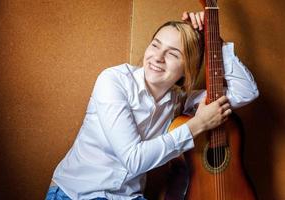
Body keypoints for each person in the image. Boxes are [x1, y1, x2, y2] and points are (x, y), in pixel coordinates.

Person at [45, 11, 259, 200]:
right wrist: (198, 125)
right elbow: (133, 160)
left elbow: (246, 92)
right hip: (76, 194)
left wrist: (214, 39)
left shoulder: (179, 100)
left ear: (187, 69)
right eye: (155, 45)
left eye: (173, 54)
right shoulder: (113, 80)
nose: (158, 57)